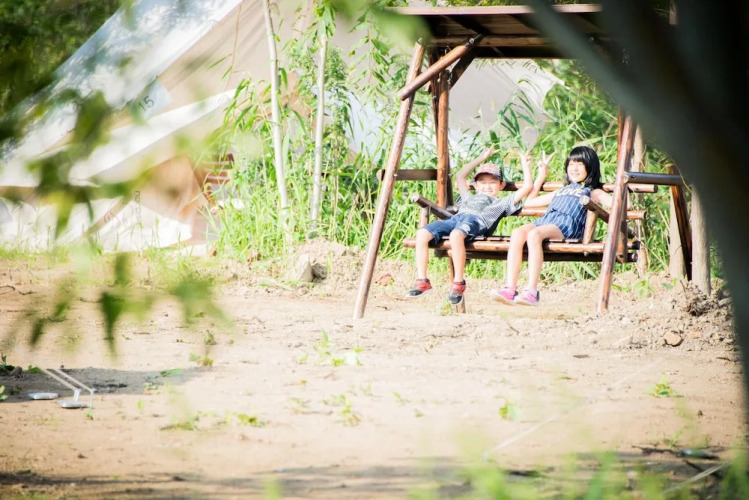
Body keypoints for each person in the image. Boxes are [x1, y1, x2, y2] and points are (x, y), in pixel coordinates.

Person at [405, 147, 551, 305]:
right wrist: (481, 157)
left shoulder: (502, 203)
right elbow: (460, 176)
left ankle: (458, 283)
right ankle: (422, 281)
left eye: (492, 182)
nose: (487, 186)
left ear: (501, 185)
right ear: (475, 185)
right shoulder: (468, 197)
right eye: (482, 182)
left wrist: (525, 164)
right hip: (456, 219)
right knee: (422, 233)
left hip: (477, 222)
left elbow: (527, 187)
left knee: (456, 235)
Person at [489, 145, 612, 306]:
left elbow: (620, 204)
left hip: (567, 226)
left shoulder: (593, 192)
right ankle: (510, 288)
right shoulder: (561, 190)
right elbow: (530, 202)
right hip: (547, 222)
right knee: (517, 232)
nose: (574, 168)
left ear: (590, 167)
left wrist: (623, 190)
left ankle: (531, 292)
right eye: (571, 164)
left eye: (579, 164)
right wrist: (542, 175)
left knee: (534, 234)